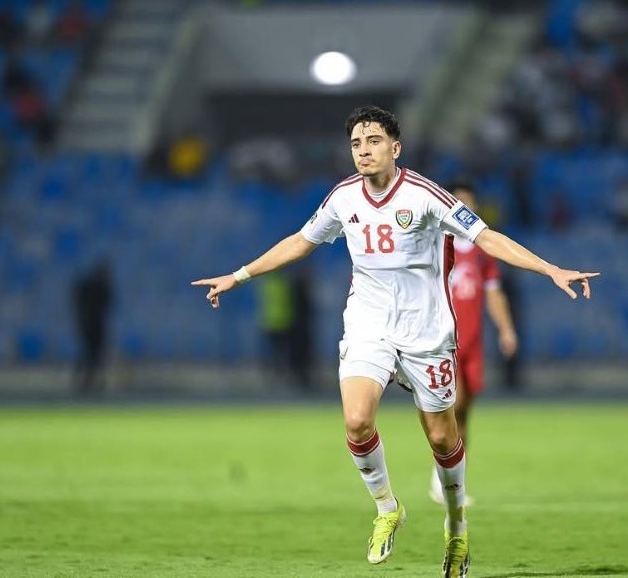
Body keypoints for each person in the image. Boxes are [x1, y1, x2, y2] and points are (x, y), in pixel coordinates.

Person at [191, 105, 599, 577]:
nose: (363, 151)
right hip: (369, 326)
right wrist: (238, 276)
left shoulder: (426, 195)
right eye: (356, 144)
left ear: (395, 147)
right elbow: (301, 241)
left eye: (373, 141)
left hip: (425, 333)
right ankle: (387, 508)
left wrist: (550, 268)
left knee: (443, 438)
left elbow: (487, 238)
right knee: (357, 420)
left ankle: (456, 527)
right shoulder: (343, 198)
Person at [428, 182, 518, 507]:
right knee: (452, 406)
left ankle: (452, 480)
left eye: (469, 204)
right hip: (442, 340)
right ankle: (441, 480)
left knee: (465, 412)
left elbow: (493, 292)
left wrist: (506, 329)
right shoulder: (435, 242)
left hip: (473, 342)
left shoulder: (482, 251)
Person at [72, 260, 114, 396]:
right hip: (94, 327)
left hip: (91, 326)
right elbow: (109, 304)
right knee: (91, 356)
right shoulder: (98, 287)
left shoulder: (87, 287)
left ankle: (89, 383)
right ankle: (89, 383)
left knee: (92, 356)